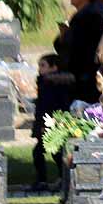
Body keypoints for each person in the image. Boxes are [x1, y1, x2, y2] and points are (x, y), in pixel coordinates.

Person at [56, 0, 103, 104]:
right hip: (85, 69)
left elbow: (76, 45)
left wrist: (64, 35)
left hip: (83, 71)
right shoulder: (89, 13)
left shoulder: (88, 15)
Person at [31, 54, 73, 191]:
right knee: (53, 152)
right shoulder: (49, 82)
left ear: (53, 67)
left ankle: (49, 179)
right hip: (55, 121)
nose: (39, 69)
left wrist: (44, 124)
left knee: (46, 152)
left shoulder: (50, 83)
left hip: (51, 122)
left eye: (43, 65)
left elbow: (47, 105)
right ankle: (61, 178)